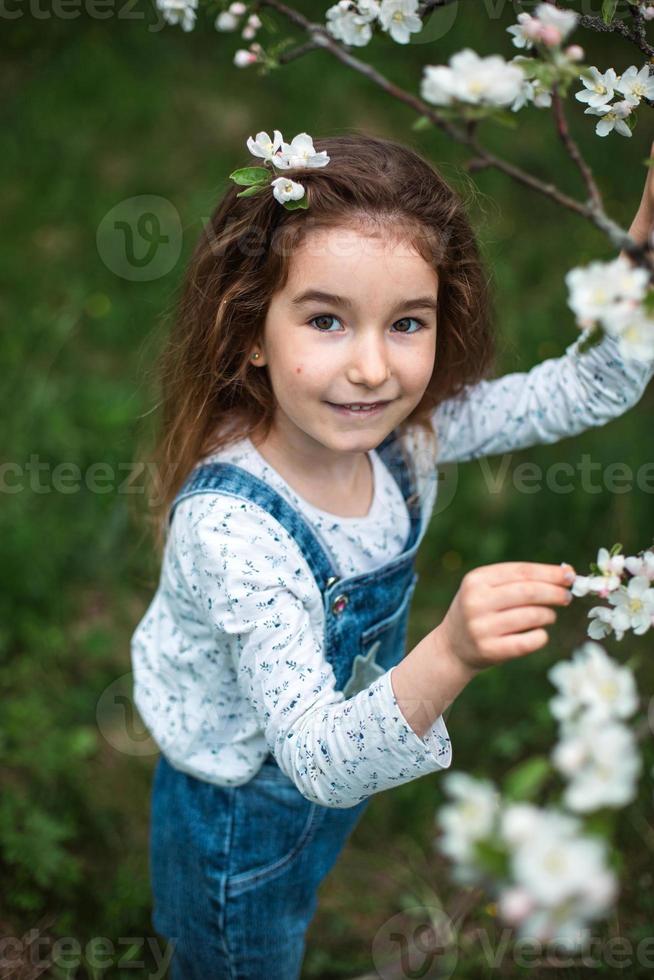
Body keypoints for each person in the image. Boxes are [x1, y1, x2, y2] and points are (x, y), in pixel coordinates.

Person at [130, 130, 654, 979]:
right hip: (241, 813)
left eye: (407, 322)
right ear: (250, 330)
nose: (373, 368)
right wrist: (449, 652)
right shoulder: (233, 530)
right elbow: (315, 763)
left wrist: (647, 253)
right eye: (327, 320)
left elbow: (589, 385)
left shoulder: (402, 442)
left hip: (349, 754)